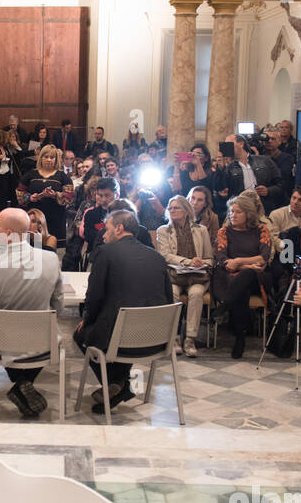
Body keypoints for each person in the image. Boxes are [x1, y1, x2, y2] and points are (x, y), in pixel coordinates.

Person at [75, 210, 174, 415]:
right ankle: (118, 386)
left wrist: (87, 320)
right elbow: (168, 298)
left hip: (120, 339)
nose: (103, 235)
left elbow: (94, 296)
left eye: (107, 229)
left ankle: (117, 384)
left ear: (119, 228)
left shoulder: (105, 252)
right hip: (156, 339)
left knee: (81, 334)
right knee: (118, 329)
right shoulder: (156, 257)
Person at [0, 208, 64, 418]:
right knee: (33, 337)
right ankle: (25, 384)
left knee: (4, 336)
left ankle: (21, 383)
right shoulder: (51, 260)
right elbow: (58, 304)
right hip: (44, 343)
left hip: (5, 343)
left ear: (8, 232)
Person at [213, 195, 274, 359]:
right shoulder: (224, 231)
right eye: (231, 211)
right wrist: (247, 265)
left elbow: (264, 258)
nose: (233, 215)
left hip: (258, 276)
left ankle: (225, 305)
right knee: (242, 288)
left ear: (248, 214)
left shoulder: (261, 230)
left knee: (246, 276)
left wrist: (239, 261)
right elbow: (222, 259)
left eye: (238, 212)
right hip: (229, 276)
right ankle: (240, 338)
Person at [156, 195, 214, 357]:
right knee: (173, 293)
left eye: (176, 208)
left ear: (186, 211)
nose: (172, 210)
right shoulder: (163, 230)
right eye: (170, 208)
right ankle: (174, 337)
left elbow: (210, 258)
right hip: (174, 275)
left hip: (197, 276)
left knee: (196, 294)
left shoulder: (201, 230)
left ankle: (190, 338)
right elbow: (165, 255)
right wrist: (188, 261)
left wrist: (199, 262)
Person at [18, 143, 70, 249]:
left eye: (52, 157)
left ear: (56, 160)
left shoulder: (63, 176)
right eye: (46, 157)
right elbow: (20, 193)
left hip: (55, 217)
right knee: (33, 247)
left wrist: (55, 195)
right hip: (34, 217)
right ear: (41, 158)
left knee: (51, 248)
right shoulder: (31, 174)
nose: (49, 160)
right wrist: (30, 197)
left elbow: (69, 196)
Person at [221, 135, 285, 215]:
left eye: (228, 144)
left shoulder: (264, 160)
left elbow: (281, 185)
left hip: (264, 208)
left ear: (241, 144)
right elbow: (220, 188)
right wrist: (222, 166)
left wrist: (268, 190)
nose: (226, 147)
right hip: (239, 211)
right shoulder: (228, 167)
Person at [79, 176, 119, 265]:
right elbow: (88, 236)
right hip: (97, 256)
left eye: (107, 195)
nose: (104, 200)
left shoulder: (125, 215)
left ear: (117, 195)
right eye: (100, 195)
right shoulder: (91, 214)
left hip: (120, 256)